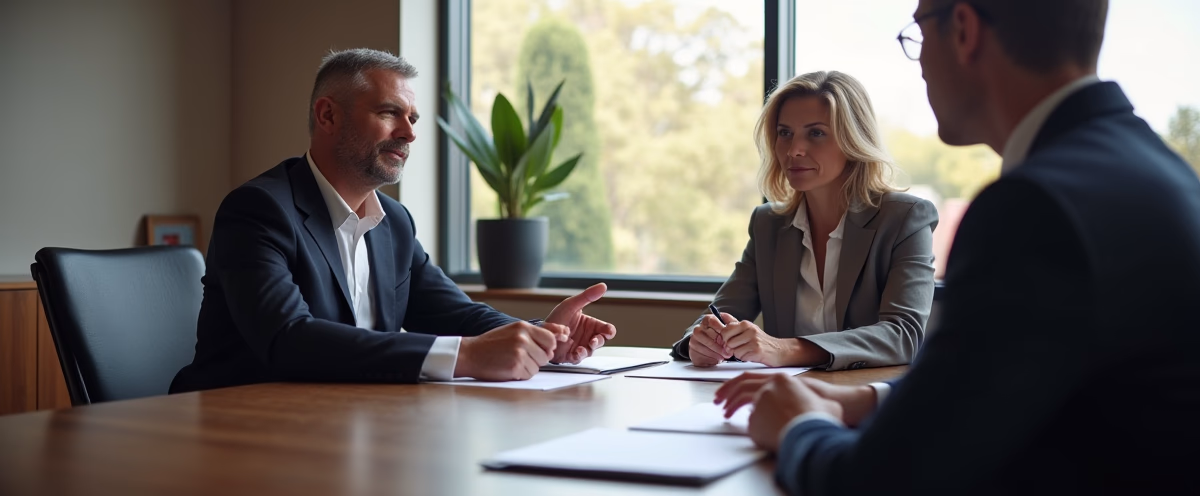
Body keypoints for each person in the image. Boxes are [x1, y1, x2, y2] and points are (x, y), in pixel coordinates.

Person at [715, 0, 1200, 493]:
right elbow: (1004, 385)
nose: (920, 63)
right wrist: (862, 400)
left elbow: (879, 483)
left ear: (965, 29)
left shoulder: (1033, 207)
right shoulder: (1155, 171)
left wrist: (799, 426)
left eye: (918, 33)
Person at [170, 49, 616, 393]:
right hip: (238, 427)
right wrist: (465, 356)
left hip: (347, 419)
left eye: (412, 117)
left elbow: (453, 313)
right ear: (327, 115)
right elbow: (289, 340)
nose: (409, 132)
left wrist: (540, 335)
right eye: (389, 113)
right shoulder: (258, 210)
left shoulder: (394, 222)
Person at [671, 71, 938, 370]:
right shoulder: (768, 223)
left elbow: (903, 336)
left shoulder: (905, 218)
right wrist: (701, 341)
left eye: (816, 133)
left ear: (854, 139)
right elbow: (722, 313)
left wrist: (786, 349)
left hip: (865, 400)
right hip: (782, 396)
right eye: (785, 133)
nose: (794, 150)